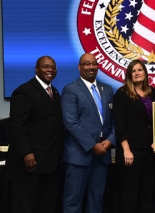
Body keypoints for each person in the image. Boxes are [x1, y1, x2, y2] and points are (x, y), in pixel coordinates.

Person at [6, 56, 64, 213]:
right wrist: (26, 153)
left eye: (53, 67)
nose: (50, 70)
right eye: (45, 66)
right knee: (25, 206)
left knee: (46, 205)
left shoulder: (55, 92)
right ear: (36, 69)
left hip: (50, 162)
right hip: (29, 164)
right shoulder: (24, 92)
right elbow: (17, 126)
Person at [61, 53, 116, 213]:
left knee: (96, 200)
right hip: (79, 156)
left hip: (103, 155)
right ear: (79, 67)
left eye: (94, 63)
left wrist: (110, 140)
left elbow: (115, 120)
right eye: (86, 64)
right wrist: (93, 145)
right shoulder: (70, 90)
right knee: (73, 201)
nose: (91, 67)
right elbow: (71, 123)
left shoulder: (107, 89)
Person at [113, 60, 155, 213]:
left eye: (140, 70)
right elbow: (120, 124)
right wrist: (126, 149)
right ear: (129, 75)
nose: (137, 73)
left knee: (148, 193)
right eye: (133, 71)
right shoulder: (122, 94)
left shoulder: (153, 92)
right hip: (131, 152)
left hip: (151, 151)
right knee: (130, 193)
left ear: (145, 73)